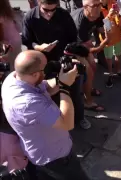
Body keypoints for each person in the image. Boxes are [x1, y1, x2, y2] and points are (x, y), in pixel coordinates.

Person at [1, 50, 90, 180]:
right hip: (54, 159)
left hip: (45, 151)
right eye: (45, 69)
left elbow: (46, 86)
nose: (48, 71)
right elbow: (67, 123)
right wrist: (65, 87)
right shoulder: (27, 103)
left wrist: (66, 75)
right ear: (35, 74)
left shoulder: (14, 78)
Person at [22, 0, 92, 129]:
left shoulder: (63, 15)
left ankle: (79, 118)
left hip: (65, 60)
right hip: (44, 64)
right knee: (50, 94)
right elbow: (27, 41)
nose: (49, 14)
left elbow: (73, 38)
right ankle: (58, 121)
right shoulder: (30, 17)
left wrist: (73, 53)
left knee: (75, 92)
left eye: (53, 10)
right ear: (39, 3)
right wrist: (38, 47)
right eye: (46, 10)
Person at [71, 0, 109, 111]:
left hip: (83, 43)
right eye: (94, 6)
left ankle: (88, 88)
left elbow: (103, 28)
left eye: (99, 5)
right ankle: (88, 102)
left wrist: (109, 31)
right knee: (87, 70)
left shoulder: (98, 13)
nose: (98, 8)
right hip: (72, 45)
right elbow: (89, 49)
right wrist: (102, 45)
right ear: (85, 7)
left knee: (93, 65)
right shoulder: (80, 22)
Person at [99, 0, 121, 88]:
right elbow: (103, 27)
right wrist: (109, 16)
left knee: (118, 54)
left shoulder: (113, 3)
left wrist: (118, 15)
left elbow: (120, 24)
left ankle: (119, 71)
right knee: (109, 57)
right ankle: (110, 74)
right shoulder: (97, 8)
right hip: (107, 39)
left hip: (117, 36)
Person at [0, 0, 22, 71]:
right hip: (15, 43)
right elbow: (20, 29)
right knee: (17, 66)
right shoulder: (10, 13)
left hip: (7, 46)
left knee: (7, 69)